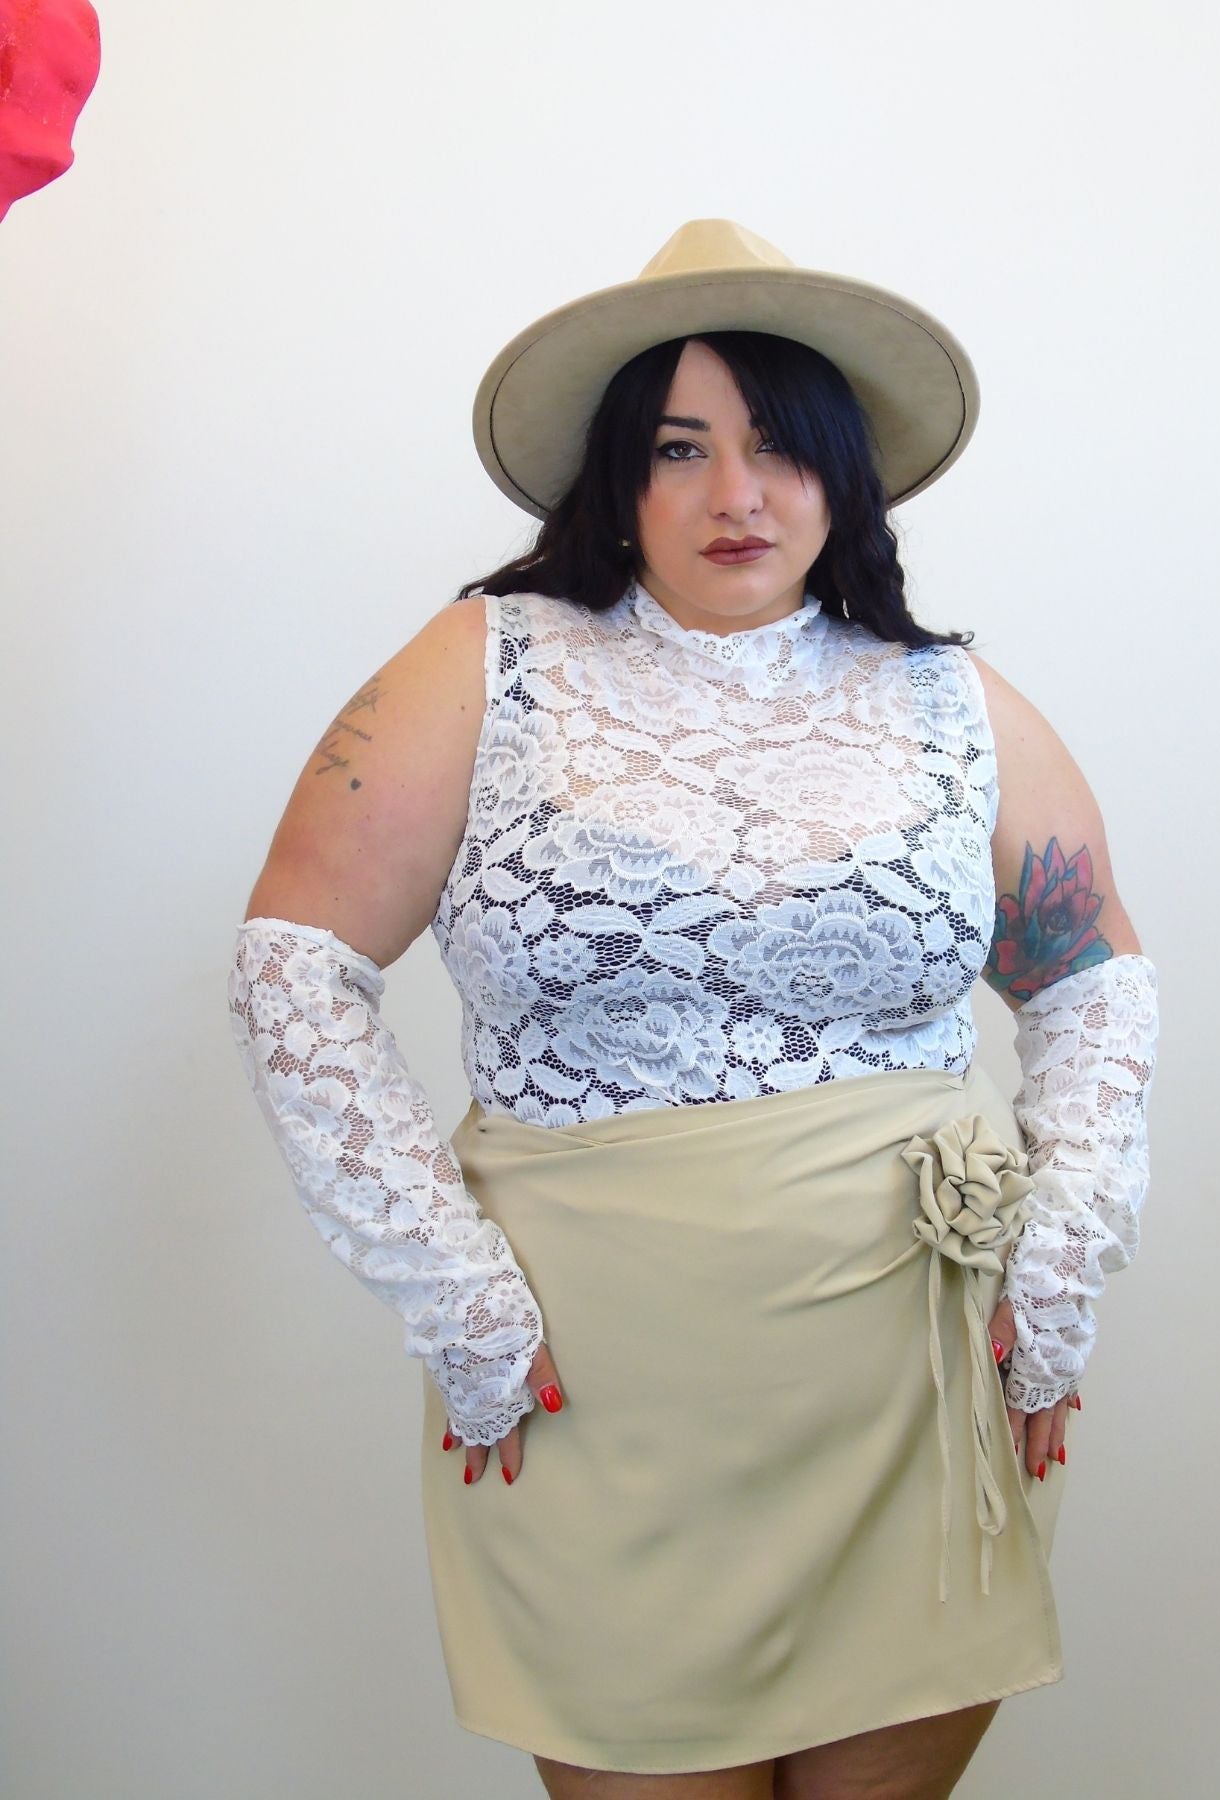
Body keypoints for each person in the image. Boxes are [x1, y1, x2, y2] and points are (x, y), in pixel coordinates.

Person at [228, 219, 1160, 1798]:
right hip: (596, 1386)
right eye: (680, 449)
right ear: (617, 480)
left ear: (843, 476)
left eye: (779, 446)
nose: (738, 494)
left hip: (911, 1382)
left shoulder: (951, 698)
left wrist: (1066, 1254)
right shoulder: (485, 664)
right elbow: (290, 970)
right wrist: (456, 1295)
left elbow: (1091, 978)